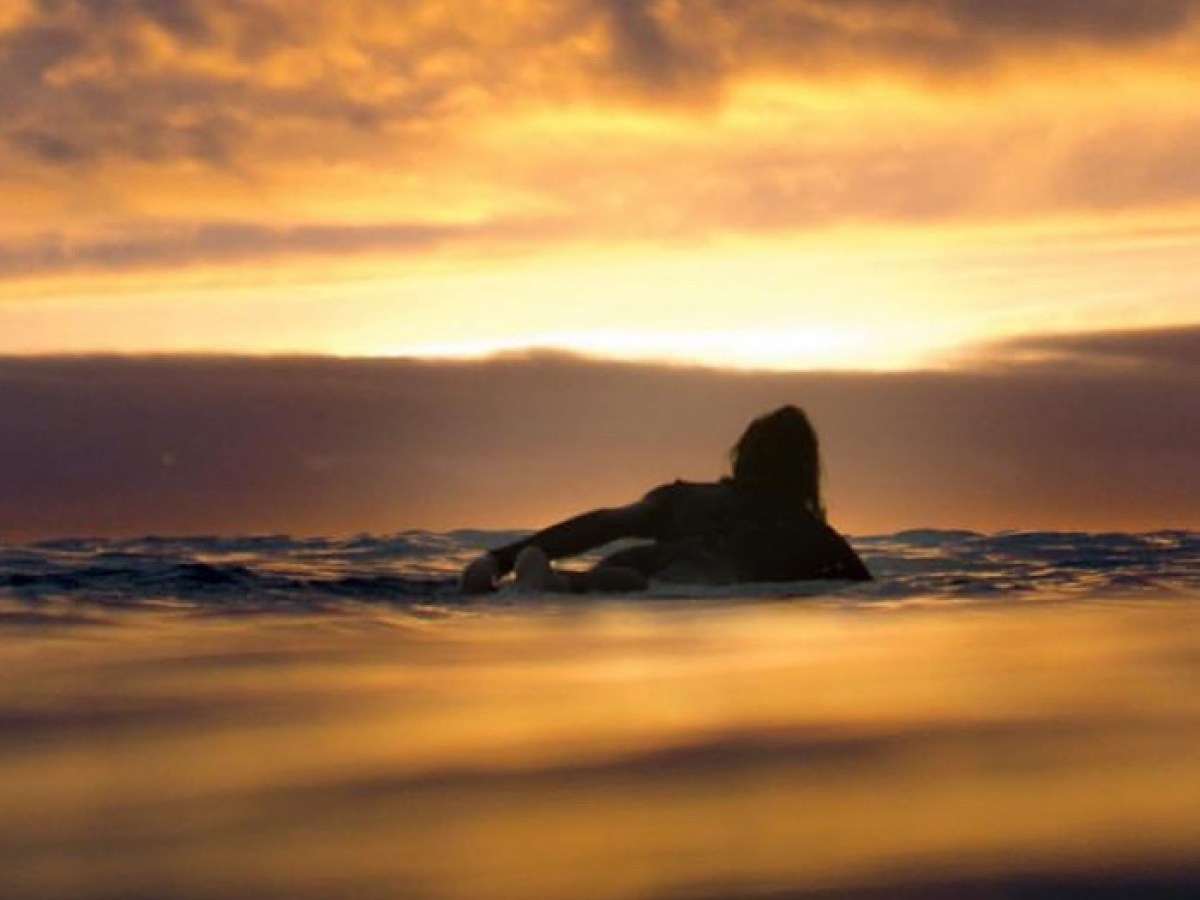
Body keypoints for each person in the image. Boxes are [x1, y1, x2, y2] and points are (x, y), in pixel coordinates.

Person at [459, 405, 871, 593]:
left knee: (621, 575)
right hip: (698, 577)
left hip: (635, 562)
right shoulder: (811, 535)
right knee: (641, 587)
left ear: (743, 456)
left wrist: (499, 559)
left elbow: (606, 522)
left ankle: (551, 579)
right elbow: (864, 589)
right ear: (805, 473)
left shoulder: (685, 496)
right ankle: (565, 586)